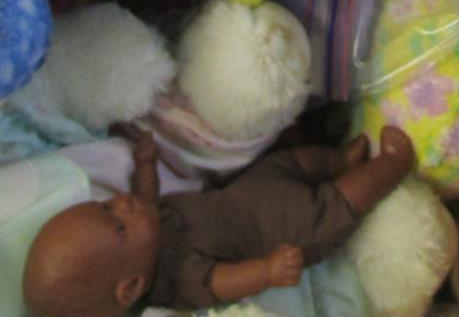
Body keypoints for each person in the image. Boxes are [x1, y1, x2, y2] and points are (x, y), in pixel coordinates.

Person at [23, 125, 416, 315]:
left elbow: (144, 195)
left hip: (251, 189)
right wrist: (265, 271)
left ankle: (341, 161)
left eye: (106, 206)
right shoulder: (176, 280)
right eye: (118, 224)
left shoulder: (147, 224)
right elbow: (220, 282)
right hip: (281, 227)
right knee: (334, 206)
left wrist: (145, 163)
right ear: (131, 287)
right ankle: (392, 166)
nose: (122, 204)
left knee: (295, 161)